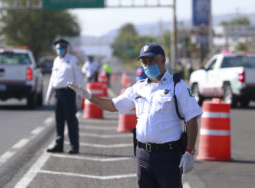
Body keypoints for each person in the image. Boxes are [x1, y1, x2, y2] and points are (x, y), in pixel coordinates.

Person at [68, 43, 202, 187]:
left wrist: (190, 152)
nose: (148, 65)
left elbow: (191, 118)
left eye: (152, 61)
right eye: (145, 62)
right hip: (143, 155)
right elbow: (112, 105)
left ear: (163, 61)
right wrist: (88, 95)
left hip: (168, 156)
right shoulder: (139, 87)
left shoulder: (178, 86)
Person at [45, 39, 83, 154]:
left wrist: (79, 95)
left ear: (66, 48)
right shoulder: (56, 60)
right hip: (58, 93)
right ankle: (59, 145)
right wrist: (49, 94)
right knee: (59, 120)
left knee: (71, 120)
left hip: (69, 93)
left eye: (61, 48)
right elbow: (53, 78)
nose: (59, 50)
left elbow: (78, 78)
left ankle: (74, 146)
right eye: (58, 49)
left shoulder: (73, 60)